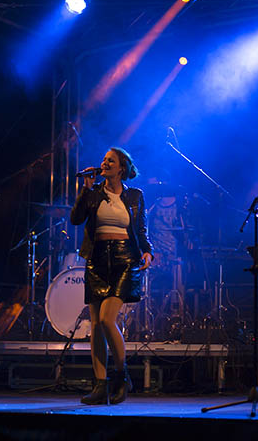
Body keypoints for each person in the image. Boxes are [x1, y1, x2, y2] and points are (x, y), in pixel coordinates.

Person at [71, 147, 153, 405]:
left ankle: (122, 375)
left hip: (124, 259)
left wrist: (148, 251)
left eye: (110, 161)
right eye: (103, 159)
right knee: (95, 324)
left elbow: (140, 229)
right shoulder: (93, 193)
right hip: (97, 259)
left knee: (107, 319)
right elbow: (75, 219)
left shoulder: (135, 196)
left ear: (121, 168)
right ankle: (100, 384)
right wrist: (85, 189)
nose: (104, 163)